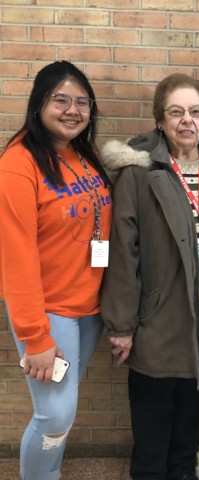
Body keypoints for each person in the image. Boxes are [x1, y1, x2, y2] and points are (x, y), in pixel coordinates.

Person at [100, 73, 199, 480]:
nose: (186, 121)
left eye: (195, 112)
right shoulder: (139, 172)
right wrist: (122, 325)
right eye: (175, 112)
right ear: (160, 120)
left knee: (191, 411)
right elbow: (123, 253)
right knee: (154, 415)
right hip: (158, 315)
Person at [0, 61, 112, 480]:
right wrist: (34, 336)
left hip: (89, 311)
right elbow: (15, 257)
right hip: (49, 314)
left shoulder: (81, 155)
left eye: (82, 102)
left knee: (61, 409)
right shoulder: (19, 162)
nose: (73, 110)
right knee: (54, 416)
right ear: (38, 104)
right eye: (61, 100)